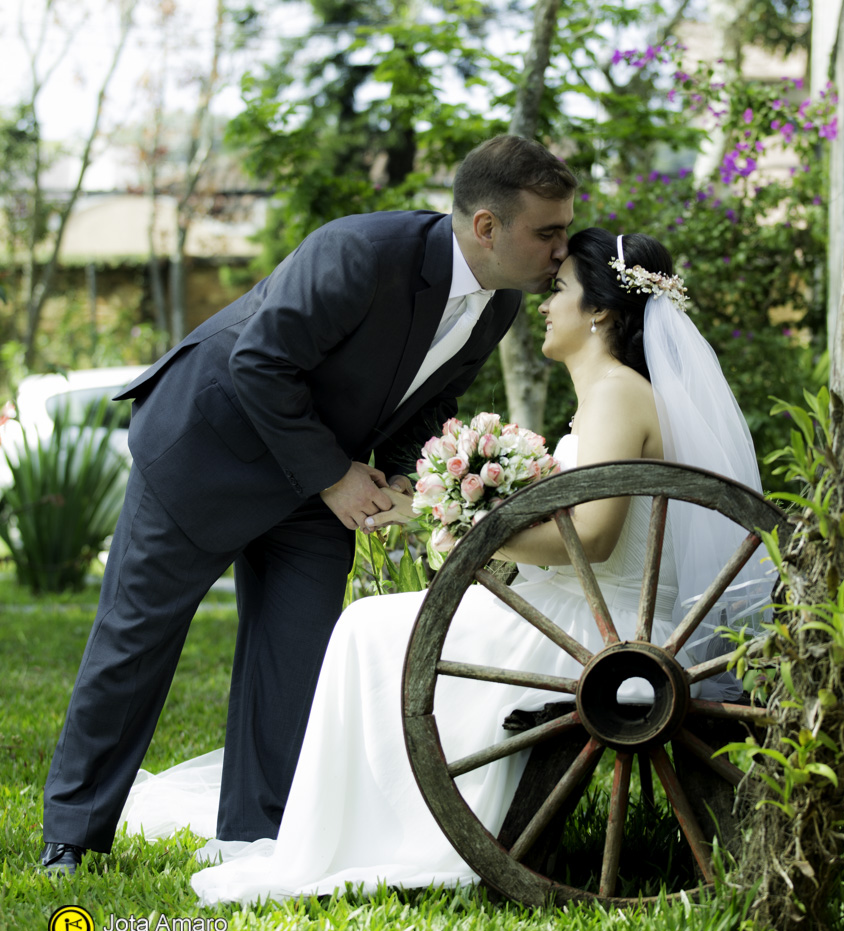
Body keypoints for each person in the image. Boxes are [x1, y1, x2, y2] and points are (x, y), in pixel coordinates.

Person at [119, 228, 771, 904]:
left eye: (562, 290)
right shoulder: (622, 391)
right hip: (589, 619)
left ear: (601, 311)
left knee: (366, 629)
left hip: (595, 633)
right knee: (368, 627)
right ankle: (356, 820)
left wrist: (460, 521)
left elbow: (593, 540)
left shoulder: (614, 392)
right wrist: (445, 507)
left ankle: (375, 831)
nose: (546, 305)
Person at [39, 135, 578, 875]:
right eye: (548, 231)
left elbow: (428, 401)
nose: (561, 248)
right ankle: (70, 834)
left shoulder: (498, 305)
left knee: (296, 662)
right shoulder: (360, 250)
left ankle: (259, 838)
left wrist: (397, 481)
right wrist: (335, 477)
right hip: (209, 451)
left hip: (316, 489)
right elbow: (257, 360)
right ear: (487, 226)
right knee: (136, 642)